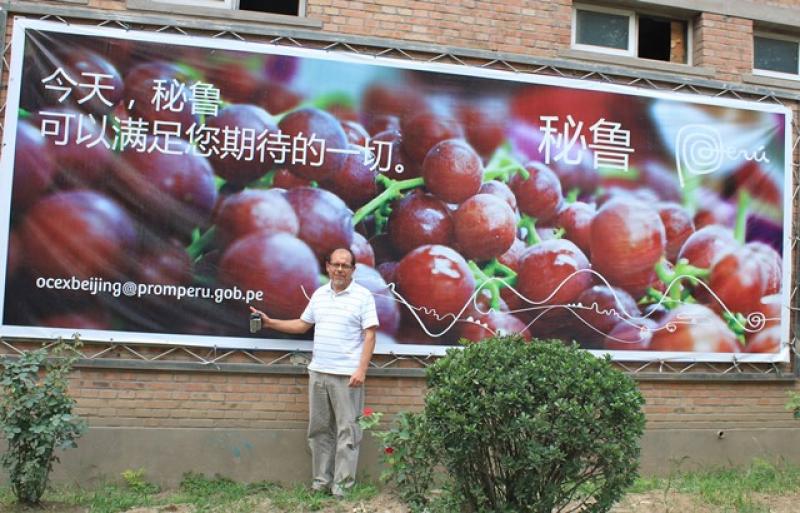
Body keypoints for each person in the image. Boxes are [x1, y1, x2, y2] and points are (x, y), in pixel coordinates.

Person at [249, 247, 379, 498]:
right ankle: (320, 483)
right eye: (336, 265)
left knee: (347, 432)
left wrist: (361, 370)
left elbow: (370, 335)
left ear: (353, 270)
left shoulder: (363, 297)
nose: (340, 269)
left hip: (347, 376)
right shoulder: (319, 295)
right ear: (327, 266)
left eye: (345, 265)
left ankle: (342, 488)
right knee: (319, 431)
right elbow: (302, 325)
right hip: (318, 373)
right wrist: (269, 322)